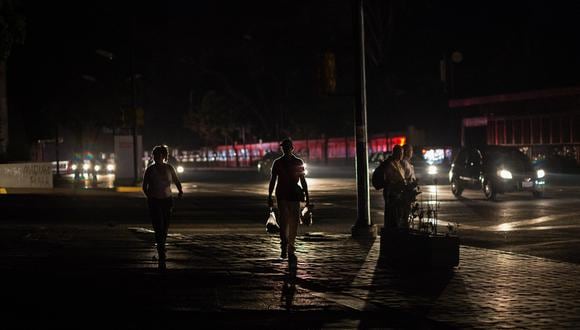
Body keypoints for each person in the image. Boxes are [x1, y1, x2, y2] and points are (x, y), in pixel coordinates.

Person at [268, 138, 309, 268]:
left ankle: (290, 245)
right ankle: (285, 245)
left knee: (293, 222)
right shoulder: (278, 163)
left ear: (291, 148)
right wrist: (269, 195)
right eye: (284, 147)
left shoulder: (296, 162)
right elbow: (273, 180)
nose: (285, 149)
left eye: (287, 147)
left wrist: (307, 196)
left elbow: (303, 180)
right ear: (283, 149)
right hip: (282, 195)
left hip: (292, 195)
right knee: (285, 221)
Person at [142, 145, 183, 269]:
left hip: (167, 200)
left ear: (165, 156)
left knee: (165, 224)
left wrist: (180, 190)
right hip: (154, 200)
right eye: (156, 155)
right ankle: (160, 246)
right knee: (157, 224)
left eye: (161, 155)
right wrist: (149, 196)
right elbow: (144, 186)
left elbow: (176, 180)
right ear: (153, 156)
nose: (159, 157)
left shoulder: (169, 168)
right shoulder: (150, 170)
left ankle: (162, 243)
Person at [383, 145, 406, 229]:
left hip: (398, 193)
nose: (401, 155)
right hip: (392, 194)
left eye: (402, 153)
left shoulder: (399, 163)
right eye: (399, 153)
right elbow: (390, 178)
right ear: (395, 153)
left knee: (397, 217)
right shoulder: (390, 164)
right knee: (392, 216)